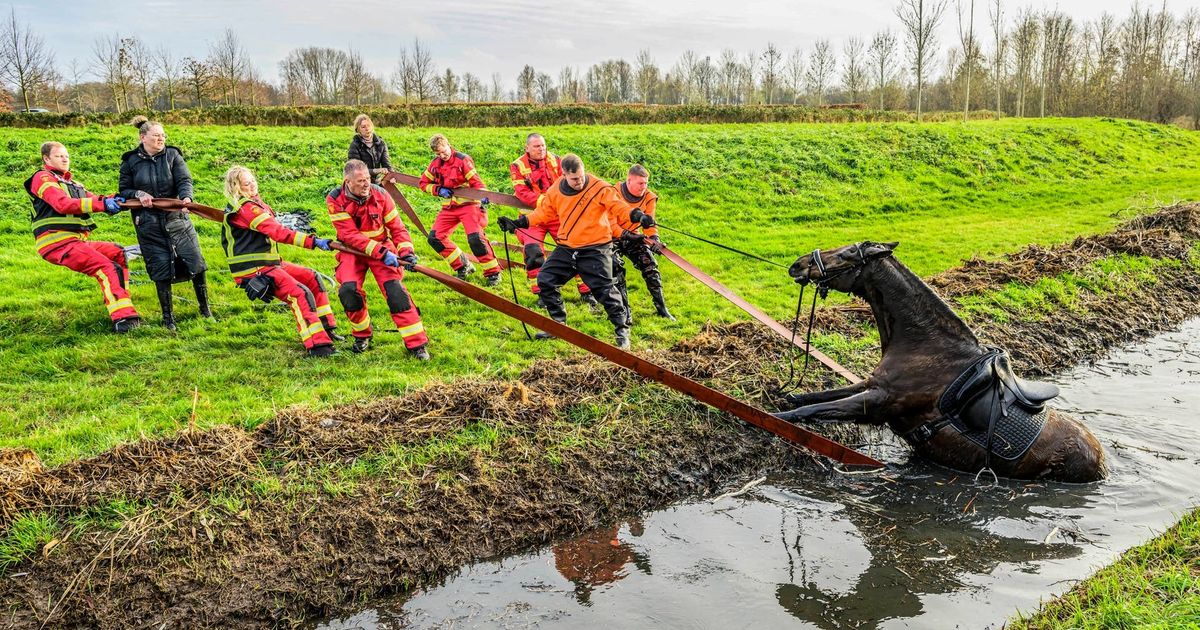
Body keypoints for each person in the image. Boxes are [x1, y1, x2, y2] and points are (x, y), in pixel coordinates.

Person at [497, 154, 654, 350]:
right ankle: (558, 325)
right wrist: (518, 223)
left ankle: (622, 332)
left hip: (596, 248)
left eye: (581, 177)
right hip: (568, 247)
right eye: (574, 179)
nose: (579, 182)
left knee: (605, 291)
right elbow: (543, 213)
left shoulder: (600, 187)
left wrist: (638, 216)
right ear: (564, 175)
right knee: (545, 279)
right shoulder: (555, 190)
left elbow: (619, 207)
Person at [220, 166, 340, 357]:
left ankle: (327, 327)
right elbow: (278, 233)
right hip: (255, 268)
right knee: (299, 293)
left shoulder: (254, 204)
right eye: (246, 183)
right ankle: (318, 346)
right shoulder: (247, 208)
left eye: (252, 180)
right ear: (236, 187)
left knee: (312, 278)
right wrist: (314, 241)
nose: (252, 185)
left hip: (269, 263)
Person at [25, 142, 141, 332]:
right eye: (59, 156)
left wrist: (120, 199)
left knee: (117, 252)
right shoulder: (42, 178)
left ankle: (121, 301)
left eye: (66, 156)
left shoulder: (73, 184)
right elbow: (63, 204)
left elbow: (94, 199)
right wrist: (105, 205)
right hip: (57, 242)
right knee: (106, 268)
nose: (65, 159)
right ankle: (124, 319)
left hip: (75, 241)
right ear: (46, 159)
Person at [328, 159, 430, 359]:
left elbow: (397, 228)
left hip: (383, 248)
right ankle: (362, 335)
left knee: (396, 293)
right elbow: (350, 236)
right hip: (352, 252)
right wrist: (381, 253)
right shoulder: (335, 199)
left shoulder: (381, 194)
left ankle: (417, 344)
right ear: (347, 182)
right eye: (360, 181)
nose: (366, 184)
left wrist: (406, 251)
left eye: (367, 178)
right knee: (349, 291)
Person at [119, 117, 210, 331]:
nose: (161, 139)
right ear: (143, 138)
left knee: (195, 262)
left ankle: (205, 310)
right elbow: (123, 190)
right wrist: (138, 193)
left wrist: (186, 198)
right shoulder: (130, 161)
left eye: (163, 135)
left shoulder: (172, 155)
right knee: (160, 268)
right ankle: (168, 319)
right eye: (156, 136)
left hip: (177, 219)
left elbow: (184, 180)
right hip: (148, 223)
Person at [508, 132, 594, 308]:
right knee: (532, 252)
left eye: (543, 145)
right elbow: (522, 193)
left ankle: (587, 291)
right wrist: (545, 202)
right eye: (536, 146)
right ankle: (542, 294)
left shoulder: (557, 160)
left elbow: (567, 183)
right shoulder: (518, 166)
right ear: (527, 148)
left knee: (575, 248)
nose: (541, 149)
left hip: (557, 215)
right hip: (533, 218)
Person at [417, 133, 502, 287]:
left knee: (475, 239)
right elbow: (423, 183)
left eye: (444, 152)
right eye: (438, 154)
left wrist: (484, 195)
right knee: (434, 238)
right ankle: (463, 266)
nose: (442, 156)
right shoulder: (435, 164)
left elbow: (476, 182)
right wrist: (437, 189)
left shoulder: (463, 160)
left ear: (449, 145)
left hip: (469, 205)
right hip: (449, 207)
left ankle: (493, 273)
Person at [609, 164, 674, 322]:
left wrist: (654, 239)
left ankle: (661, 308)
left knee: (650, 265)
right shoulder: (613, 193)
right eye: (640, 183)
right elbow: (609, 223)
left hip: (634, 237)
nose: (643, 187)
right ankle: (625, 312)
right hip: (611, 237)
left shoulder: (649, 197)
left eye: (646, 183)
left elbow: (649, 224)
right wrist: (626, 235)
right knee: (616, 268)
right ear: (629, 180)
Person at [347, 114, 392, 182]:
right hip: (360, 181)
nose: (367, 129)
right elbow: (356, 170)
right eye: (363, 127)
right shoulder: (355, 145)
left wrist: (392, 176)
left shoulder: (381, 143)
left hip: (377, 180)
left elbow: (387, 165)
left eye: (368, 125)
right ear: (358, 130)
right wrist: (376, 171)